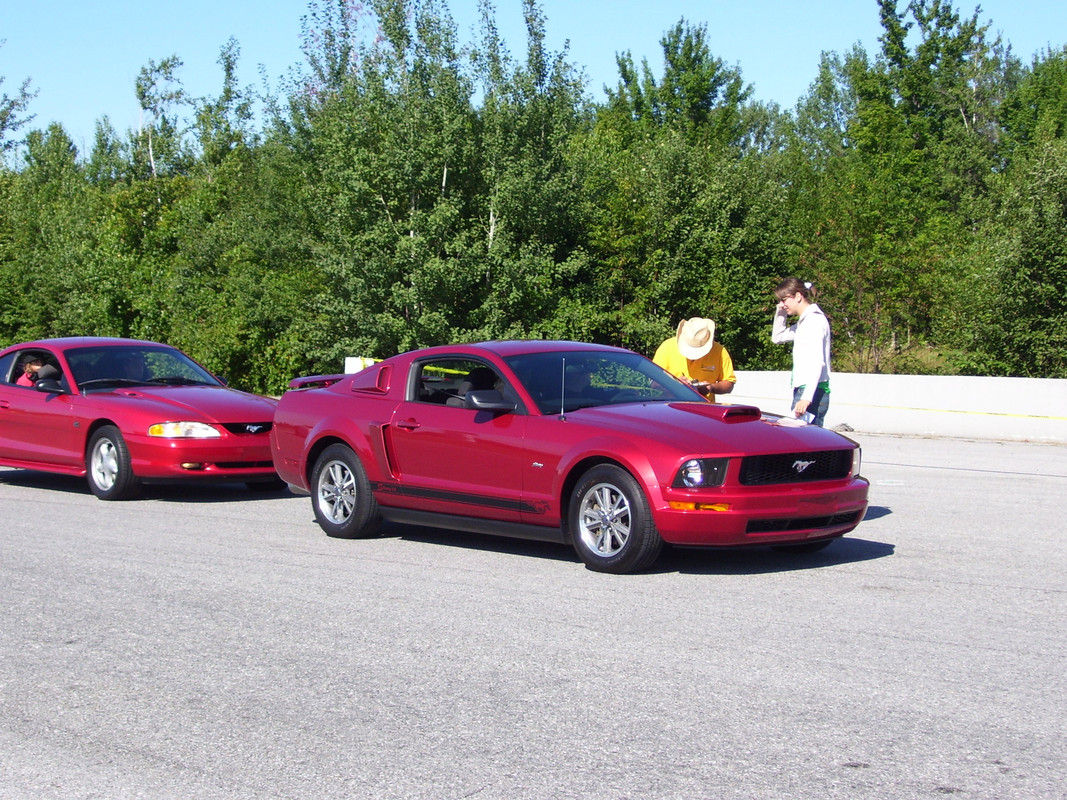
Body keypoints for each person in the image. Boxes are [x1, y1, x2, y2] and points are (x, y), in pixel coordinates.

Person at [771, 277, 831, 426]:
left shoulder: (813, 321)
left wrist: (806, 398)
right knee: (801, 441)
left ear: (798, 296)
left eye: (784, 300)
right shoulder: (804, 322)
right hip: (806, 390)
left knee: (806, 442)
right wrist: (780, 313)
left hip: (812, 391)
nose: (782, 304)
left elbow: (818, 362)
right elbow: (777, 337)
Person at [652, 317, 736, 402]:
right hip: (671, 408)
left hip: (703, 410)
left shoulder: (719, 351)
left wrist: (711, 388)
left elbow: (729, 384)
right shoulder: (667, 347)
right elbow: (654, 383)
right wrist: (675, 384)